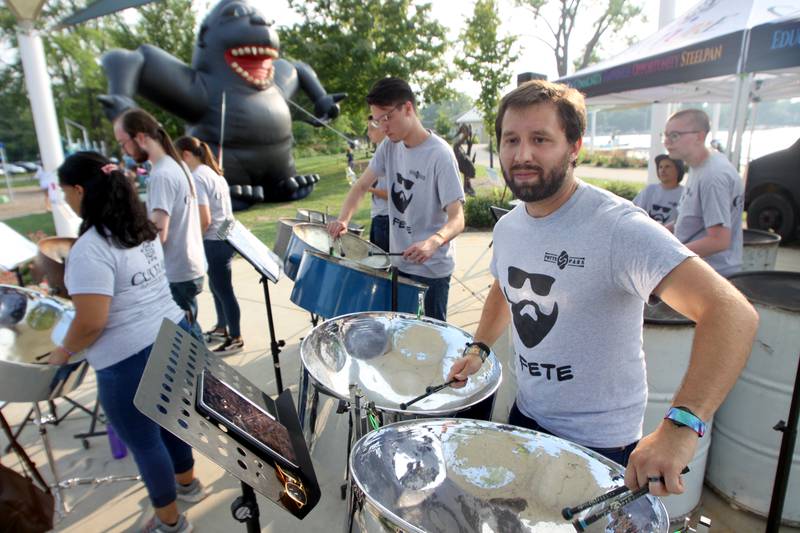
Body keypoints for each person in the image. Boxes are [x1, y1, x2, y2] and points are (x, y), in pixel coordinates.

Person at [447, 80, 758, 497]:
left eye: (541, 139)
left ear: (574, 146)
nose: (522, 155)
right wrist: (479, 347)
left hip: (600, 443)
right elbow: (505, 287)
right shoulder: (509, 227)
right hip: (526, 416)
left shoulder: (617, 227)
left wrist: (682, 426)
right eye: (511, 140)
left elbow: (733, 313)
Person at [49, 152, 207, 533]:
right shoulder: (141, 228)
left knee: (144, 441)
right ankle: (187, 484)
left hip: (130, 359)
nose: (65, 199)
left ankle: (169, 523)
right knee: (171, 422)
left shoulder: (90, 248)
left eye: (65, 191)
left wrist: (63, 351)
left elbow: (91, 322)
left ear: (79, 190)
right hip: (174, 336)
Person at [327, 77, 465, 321]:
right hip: (400, 264)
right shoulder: (388, 147)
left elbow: (457, 218)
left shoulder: (440, 155)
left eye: (387, 118)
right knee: (401, 338)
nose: (383, 128)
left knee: (430, 346)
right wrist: (343, 220)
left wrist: (433, 242)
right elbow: (360, 186)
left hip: (431, 270)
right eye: (378, 121)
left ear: (408, 108)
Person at [114, 109, 206, 337]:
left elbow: (157, 234)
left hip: (177, 269)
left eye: (123, 143)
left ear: (141, 138)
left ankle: (203, 373)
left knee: (186, 338)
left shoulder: (161, 175)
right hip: (189, 264)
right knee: (189, 329)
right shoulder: (177, 165)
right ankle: (203, 371)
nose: (123, 150)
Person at [176, 136, 243, 356]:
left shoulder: (196, 177)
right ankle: (223, 326)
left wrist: (191, 239)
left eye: (177, 158)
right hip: (224, 238)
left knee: (224, 291)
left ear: (186, 154)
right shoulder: (213, 172)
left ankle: (235, 337)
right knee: (217, 287)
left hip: (215, 240)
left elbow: (204, 219)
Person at [663, 109, 744, 276]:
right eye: (665, 135)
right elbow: (692, 219)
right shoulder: (698, 167)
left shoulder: (713, 176)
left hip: (712, 273)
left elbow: (719, 241)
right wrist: (658, 231)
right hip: (694, 266)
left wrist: (666, 255)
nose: (667, 142)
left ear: (699, 136)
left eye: (675, 136)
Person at [633, 154, 686, 224]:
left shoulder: (685, 194)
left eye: (667, 167)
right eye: (660, 167)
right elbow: (634, 211)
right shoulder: (649, 190)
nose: (663, 170)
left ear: (678, 170)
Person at [365, 118, 389, 252]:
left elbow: (392, 195)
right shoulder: (380, 152)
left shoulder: (388, 154)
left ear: (382, 128)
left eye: (372, 129)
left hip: (385, 218)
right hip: (378, 216)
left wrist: (369, 189)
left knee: (383, 265)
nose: (368, 133)